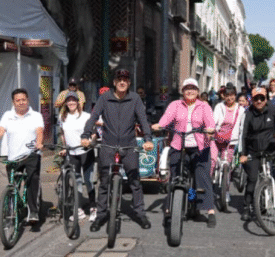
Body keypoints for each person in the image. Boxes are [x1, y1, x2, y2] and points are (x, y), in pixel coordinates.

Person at [81, 69, 154, 231]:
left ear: (129, 83)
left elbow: (143, 119)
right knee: (104, 182)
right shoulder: (104, 98)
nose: (122, 82)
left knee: (135, 182)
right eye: (119, 79)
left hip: (129, 145)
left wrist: (148, 139)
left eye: (125, 80)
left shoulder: (134, 98)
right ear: (114, 82)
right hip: (108, 145)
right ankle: (100, 216)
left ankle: (140, 214)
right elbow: (93, 117)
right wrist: (86, 135)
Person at [152, 78, 217, 227]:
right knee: (175, 177)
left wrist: (210, 130)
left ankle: (209, 210)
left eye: (193, 88)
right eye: (187, 88)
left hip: (199, 147)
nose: (190, 91)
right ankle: (170, 209)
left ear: (198, 91)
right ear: (182, 91)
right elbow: (166, 119)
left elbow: (210, 122)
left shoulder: (204, 106)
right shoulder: (175, 105)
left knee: (202, 178)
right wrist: (159, 125)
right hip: (178, 145)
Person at [0, 88, 45, 224]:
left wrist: (39, 143)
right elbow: (0, 130)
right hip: (13, 157)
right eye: (17, 100)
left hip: (31, 154)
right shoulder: (8, 115)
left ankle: (33, 211)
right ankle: (12, 208)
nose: (21, 102)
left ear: (28, 100)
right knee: (13, 185)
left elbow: (39, 131)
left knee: (32, 180)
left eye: (23, 99)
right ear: (13, 102)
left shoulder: (36, 115)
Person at [238, 87, 275, 221]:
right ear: (252, 100)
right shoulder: (248, 113)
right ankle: (247, 207)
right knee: (252, 179)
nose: (259, 101)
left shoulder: (272, 108)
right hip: (253, 149)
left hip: (269, 144)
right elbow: (244, 135)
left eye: (262, 98)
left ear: (266, 99)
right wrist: (243, 154)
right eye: (256, 99)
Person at [58, 90, 97, 223]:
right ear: (66, 103)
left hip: (85, 152)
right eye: (68, 101)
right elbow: (63, 134)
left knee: (88, 181)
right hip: (72, 153)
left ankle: (93, 208)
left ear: (78, 102)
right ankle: (78, 209)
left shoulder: (86, 116)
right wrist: (64, 147)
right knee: (76, 182)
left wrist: (90, 142)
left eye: (73, 100)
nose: (71, 103)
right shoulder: (62, 117)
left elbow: (94, 134)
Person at [211, 85, 247, 209]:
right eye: (227, 95)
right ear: (223, 96)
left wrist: (242, 144)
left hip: (231, 141)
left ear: (235, 95)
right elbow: (214, 121)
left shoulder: (241, 110)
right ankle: (209, 187)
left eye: (232, 95)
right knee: (212, 161)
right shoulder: (219, 107)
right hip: (216, 139)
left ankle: (226, 192)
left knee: (228, 166)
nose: (230, 98)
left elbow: (242, 127)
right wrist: (211, 131)